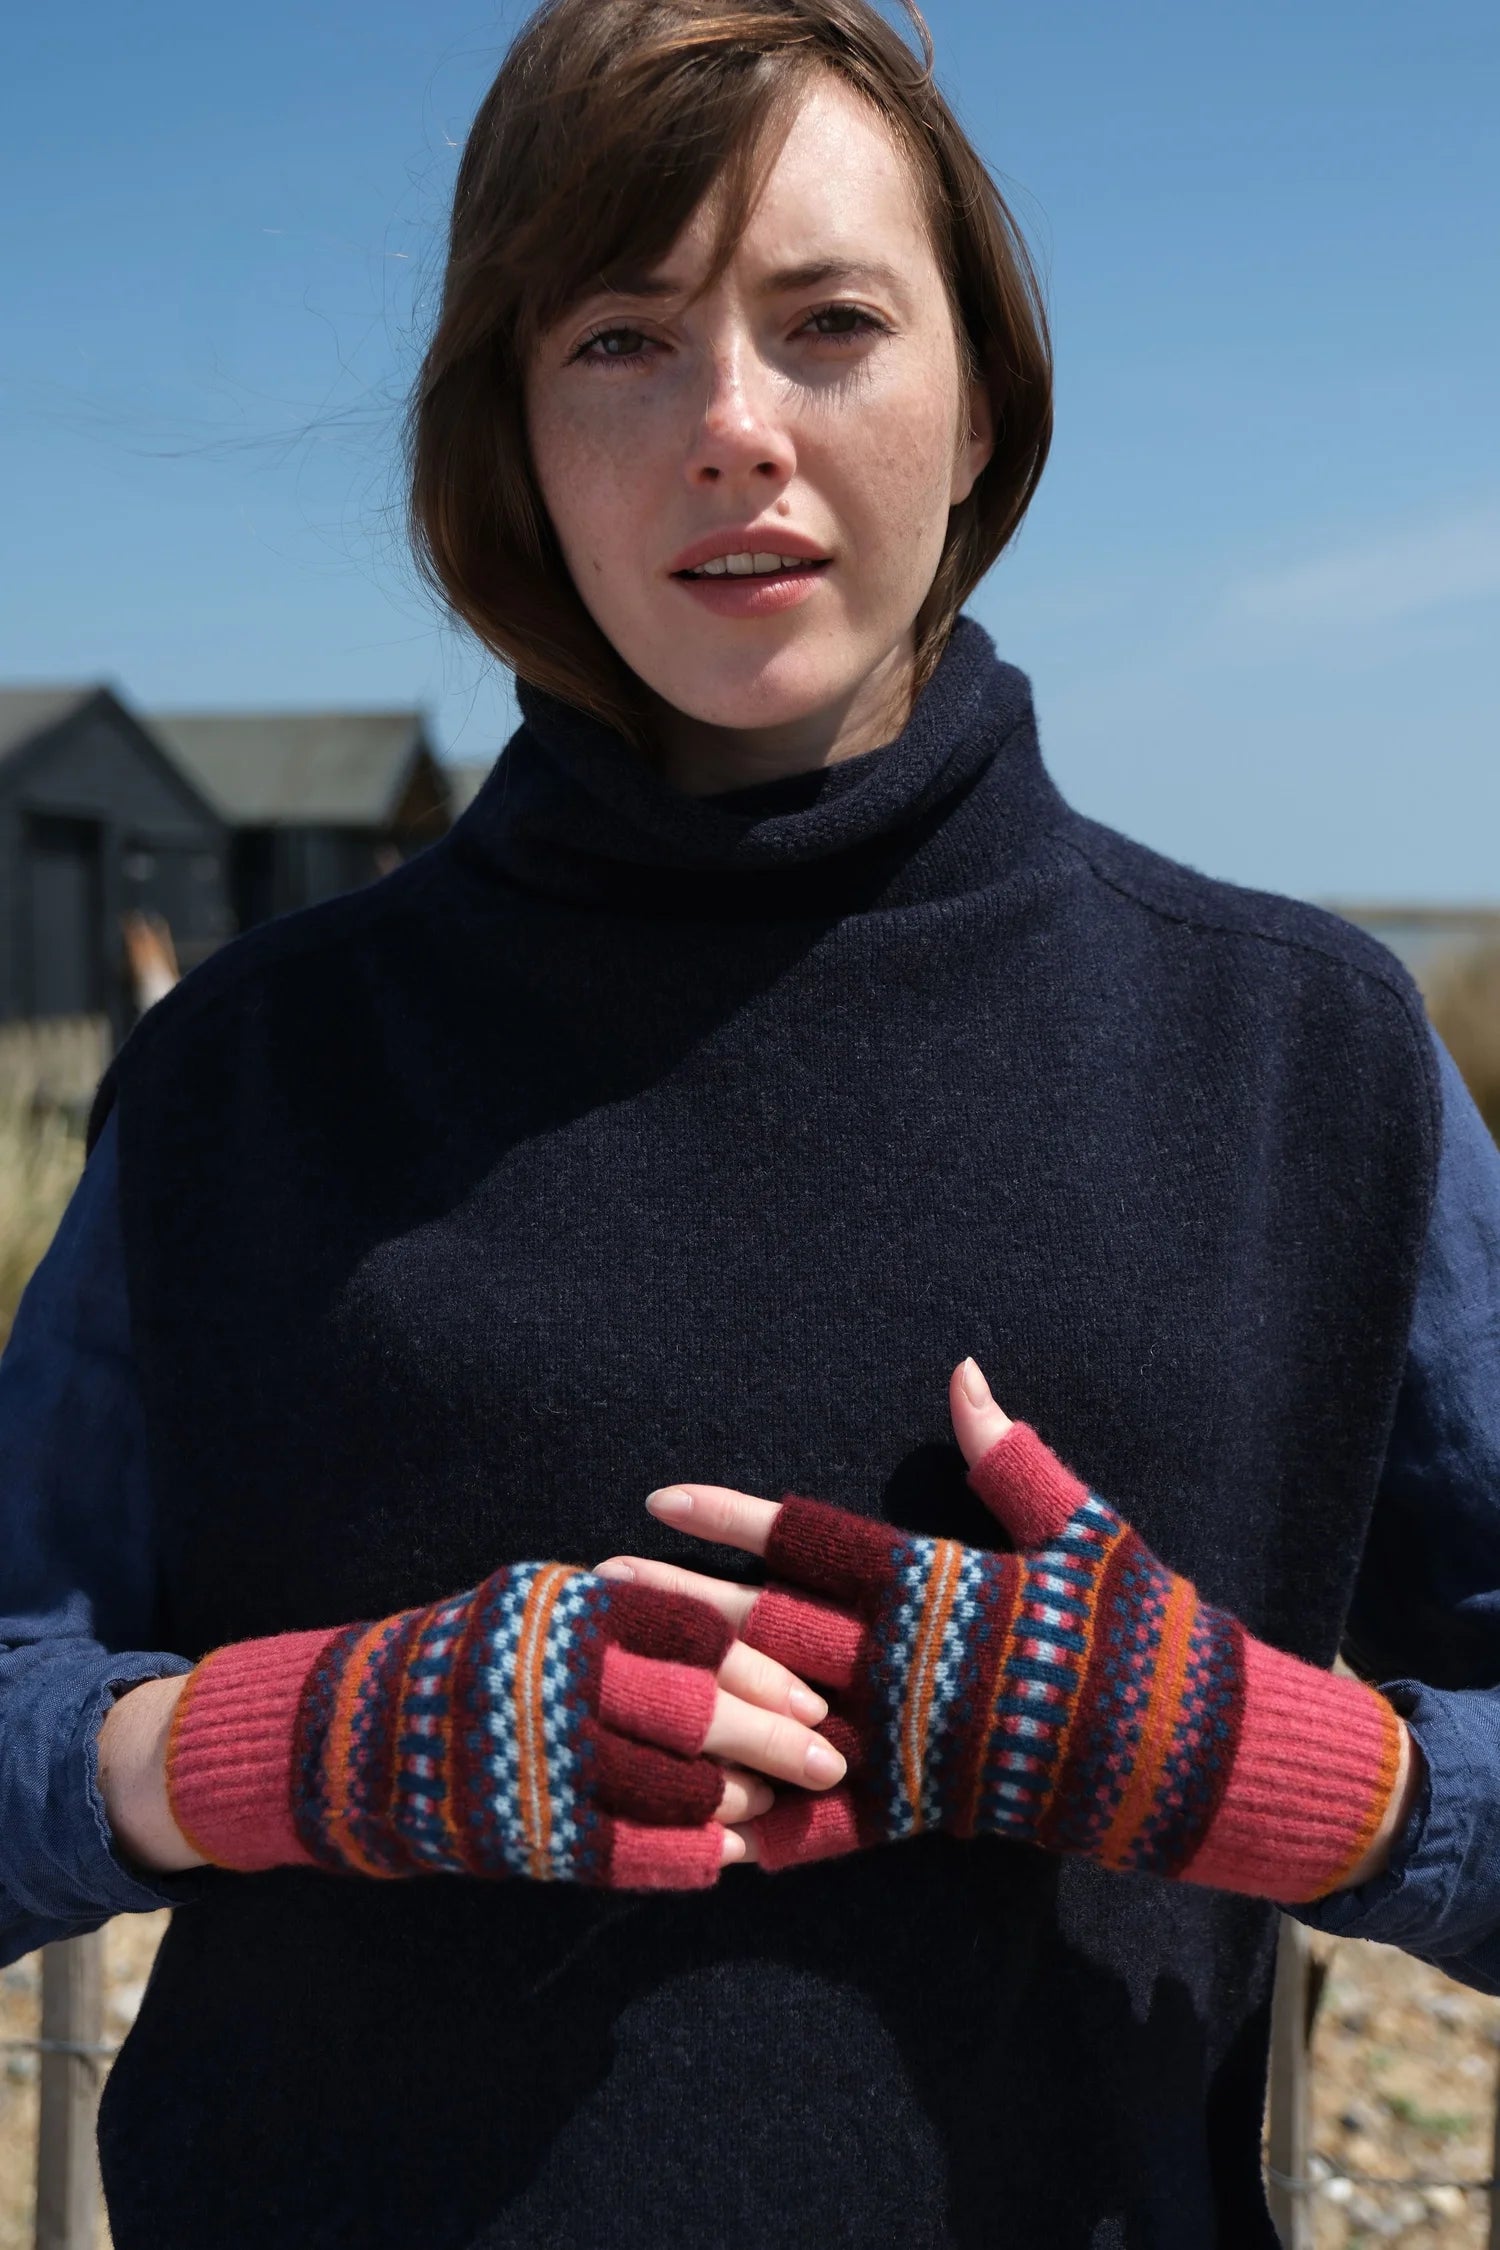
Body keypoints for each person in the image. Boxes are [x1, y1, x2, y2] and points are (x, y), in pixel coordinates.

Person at [2, 0, 1499, 2241]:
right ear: (510, 427)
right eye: (621, 335)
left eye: (830, 325)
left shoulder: (1303, 1055)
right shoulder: (248, 1070)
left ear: (978, 395)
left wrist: (1293, 1775)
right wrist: (247, 1751)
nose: (733, 430)